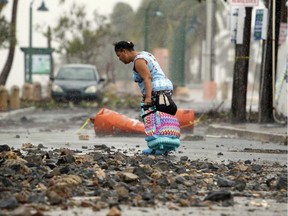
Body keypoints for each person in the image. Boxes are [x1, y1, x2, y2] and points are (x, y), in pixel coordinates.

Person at [114, 41, 180, 155]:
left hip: (156, 89)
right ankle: (165, 146)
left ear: (124, 51)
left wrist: (148, 97)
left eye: (119, 56)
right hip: (165, 86)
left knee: (152, 117)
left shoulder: (138, 61)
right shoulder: (145, 54)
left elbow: (147, 78)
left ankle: (157, 147)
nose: (120, 59)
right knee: (163, 117)